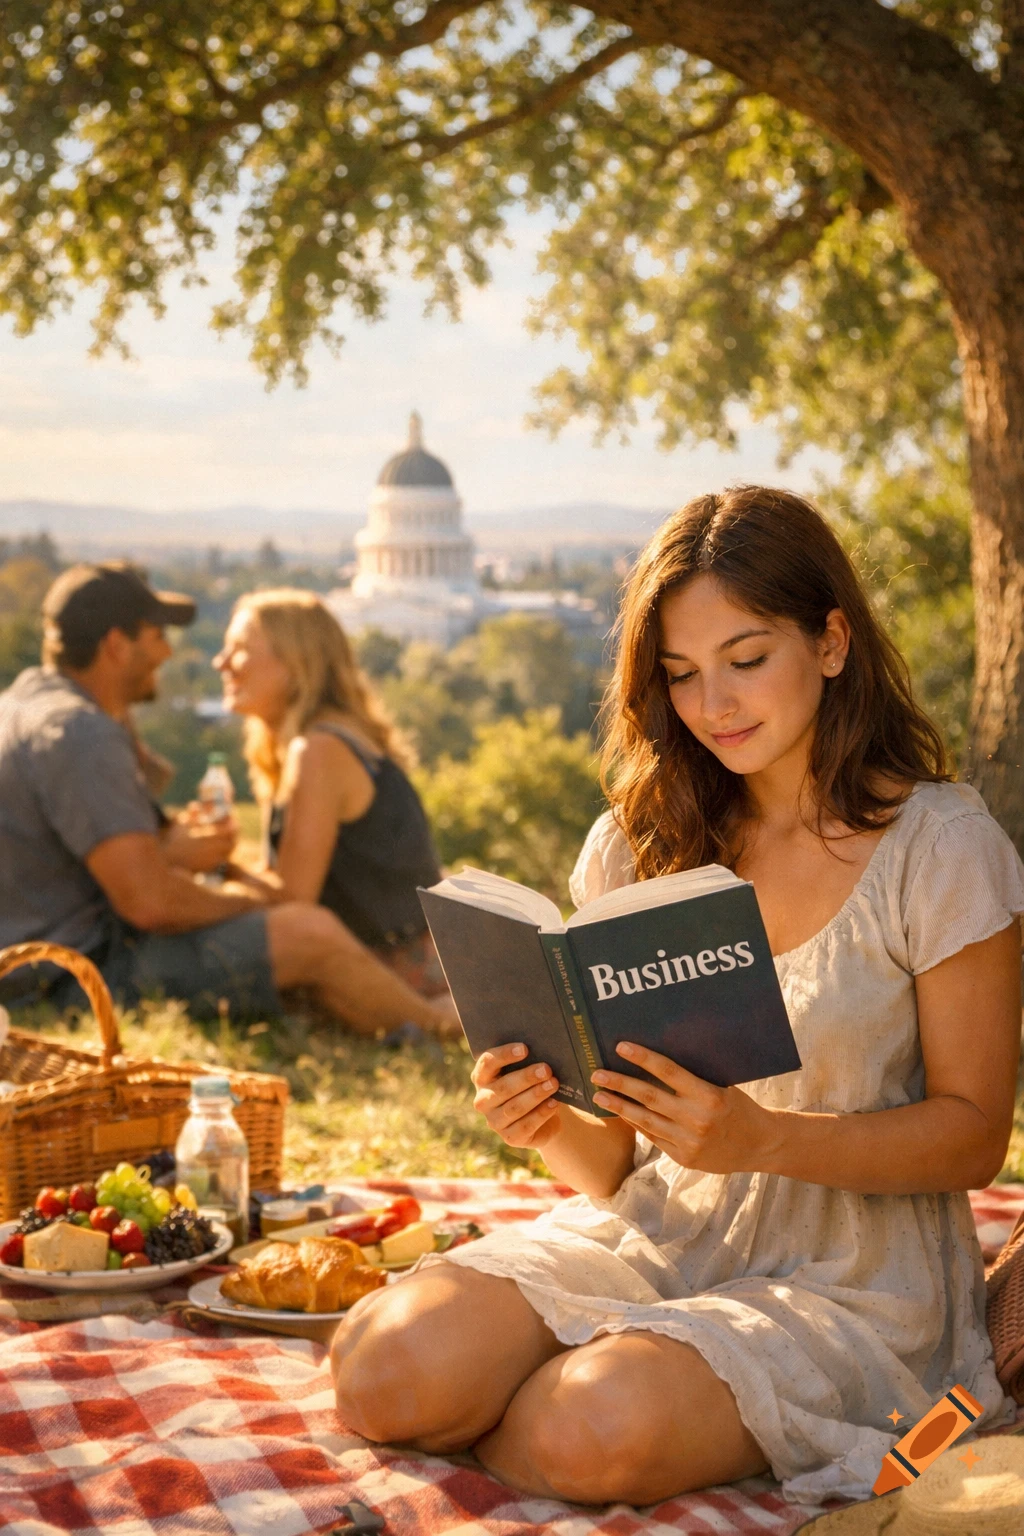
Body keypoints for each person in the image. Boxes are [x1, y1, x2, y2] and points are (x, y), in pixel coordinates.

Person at [331, 486, 1024, 1507]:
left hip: (857, 1278)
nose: (716, 705)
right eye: (682, 675)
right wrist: (542, 1121)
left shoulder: (939, 848)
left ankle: (548, 1421)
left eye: (747, 659)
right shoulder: (637, 847)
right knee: (388, 1368)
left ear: (831, 641)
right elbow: (613, 1160)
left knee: (589, 1423)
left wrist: (763, 1141)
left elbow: (973, 1139)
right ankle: (533, 1406)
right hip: (660, 1232)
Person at [0, 560, 455, 1038]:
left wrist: (189, 860)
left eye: (237, 650)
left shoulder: (26, 709)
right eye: (157, 635)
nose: (171, 653)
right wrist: (232, 893)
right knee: (306, 930)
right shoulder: (80, 731)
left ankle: (422, 1019)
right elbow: (151, 902)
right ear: (116, 645)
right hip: (70, 974)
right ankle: (439, 1028)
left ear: (294, 664)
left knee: (298, 930)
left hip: (43, 964)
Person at [212, 588, 453, 1014]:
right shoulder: (316, 742)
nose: (221, 662)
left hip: (391, 974)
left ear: (294, 664)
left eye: (240, 650)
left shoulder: (319, 751)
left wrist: (211, 864)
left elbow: (293, 901)